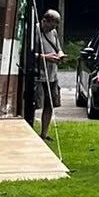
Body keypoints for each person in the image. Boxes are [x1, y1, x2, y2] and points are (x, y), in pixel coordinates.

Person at [36, 7, 62, 140]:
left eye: (55, 26)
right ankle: (29, 130)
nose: (53, 28)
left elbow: (58, 49)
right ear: (44, 21)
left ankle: (44, 134)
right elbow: (28, 54)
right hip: (39, 75)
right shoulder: (35, 31)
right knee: (35, 104)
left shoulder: (54, 32)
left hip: (53, 75)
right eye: (52, 25)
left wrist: (60, 56)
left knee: (50, 105)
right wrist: (45, 57)